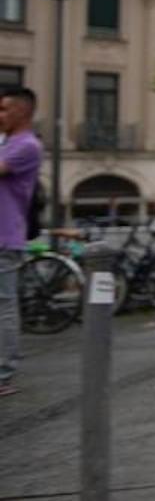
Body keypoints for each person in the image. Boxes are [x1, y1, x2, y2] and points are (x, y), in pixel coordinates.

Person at [0, 87, 43, 397]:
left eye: (3, 109)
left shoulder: (27, 145)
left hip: (4, 237)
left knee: (4, 307)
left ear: (22, 112)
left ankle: (3, 372)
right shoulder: (8, 143)